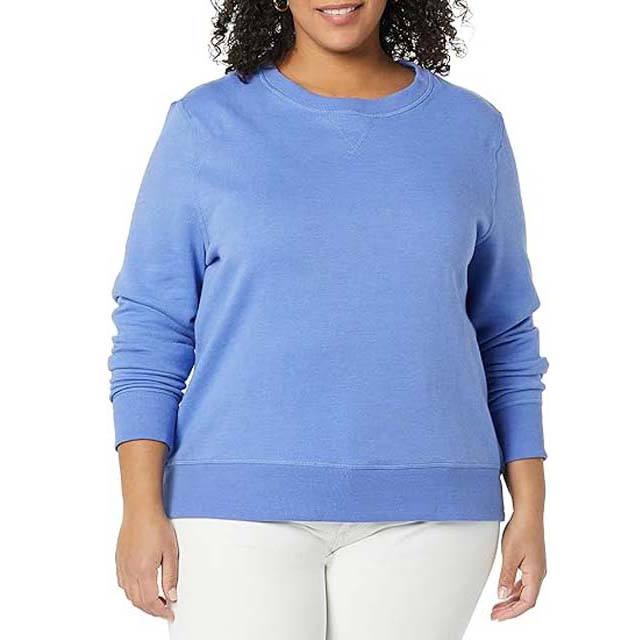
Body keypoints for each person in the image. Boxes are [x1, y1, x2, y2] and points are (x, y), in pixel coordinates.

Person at [109, 1, 549, 638]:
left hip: (433, 514)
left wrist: (530, 507)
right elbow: (153, 329)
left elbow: (505, 333)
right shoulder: (205, 124)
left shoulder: (471, 131)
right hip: (232, 510)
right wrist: (138, 506)